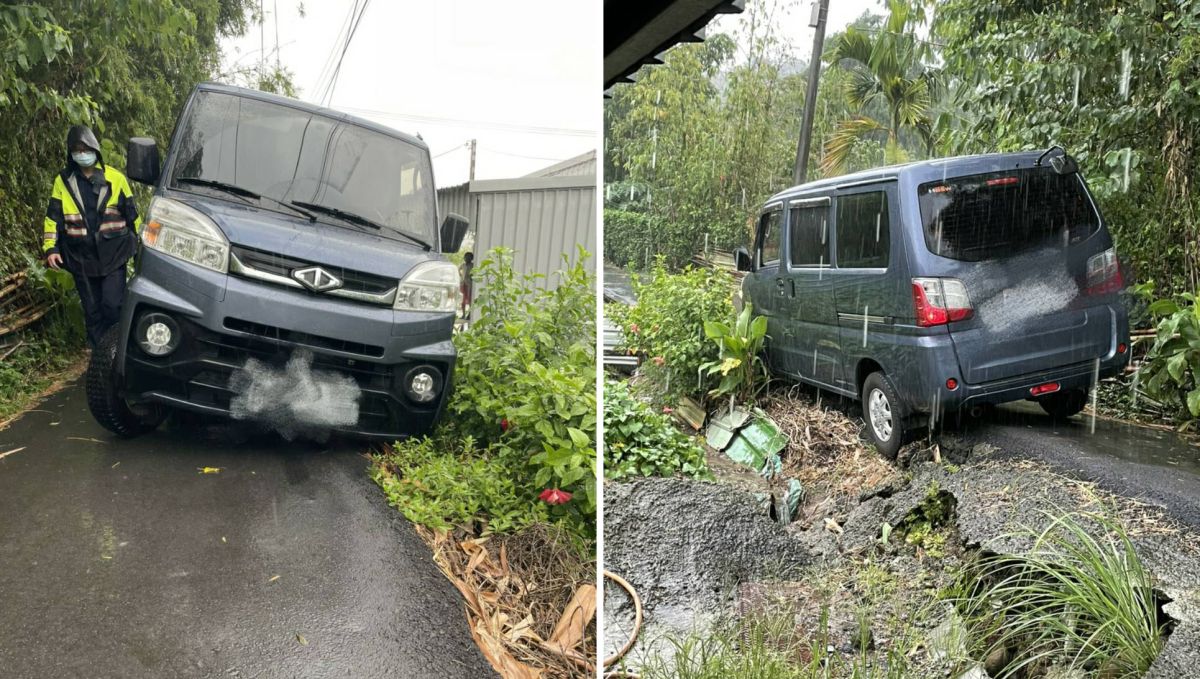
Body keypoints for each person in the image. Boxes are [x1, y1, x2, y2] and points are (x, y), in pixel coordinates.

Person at [42, 125, 140, 349]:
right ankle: (100, 357)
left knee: (113, 305)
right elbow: (53, 218)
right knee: (93, 312)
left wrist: (141, 248)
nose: (81, 153)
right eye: (76, 150)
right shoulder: (63, 181)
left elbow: (133, 215)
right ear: (70, 153)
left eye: (85, 148)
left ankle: (119, 350)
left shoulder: (116, 178)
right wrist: (51, 248)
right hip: (80, 256)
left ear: (95, 149)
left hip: (113, 253)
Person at [459, 251, 474, 316]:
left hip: (469, 284)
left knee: (469, 299)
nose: (466, 258)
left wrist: (471, 277)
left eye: (468, 257)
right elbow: (458, 269)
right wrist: (461, 276)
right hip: (463, 283)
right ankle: (463, 314)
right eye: (465, 257)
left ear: (471, 258)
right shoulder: (463, 265)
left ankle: (469, 314)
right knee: (462, 299)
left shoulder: (473, 265)